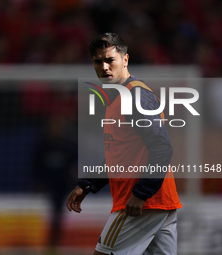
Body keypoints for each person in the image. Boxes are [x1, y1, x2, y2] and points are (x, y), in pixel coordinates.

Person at [66, 33, 182, 255]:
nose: (104, 67)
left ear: (125, 60)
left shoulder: (135, 96)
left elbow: (162, 147)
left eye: (110, 60)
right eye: (97, 61)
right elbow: (120, 154)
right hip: (158, 202)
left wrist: (141, 193)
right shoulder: (119, 98)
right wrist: (88, 184)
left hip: (140, 204)